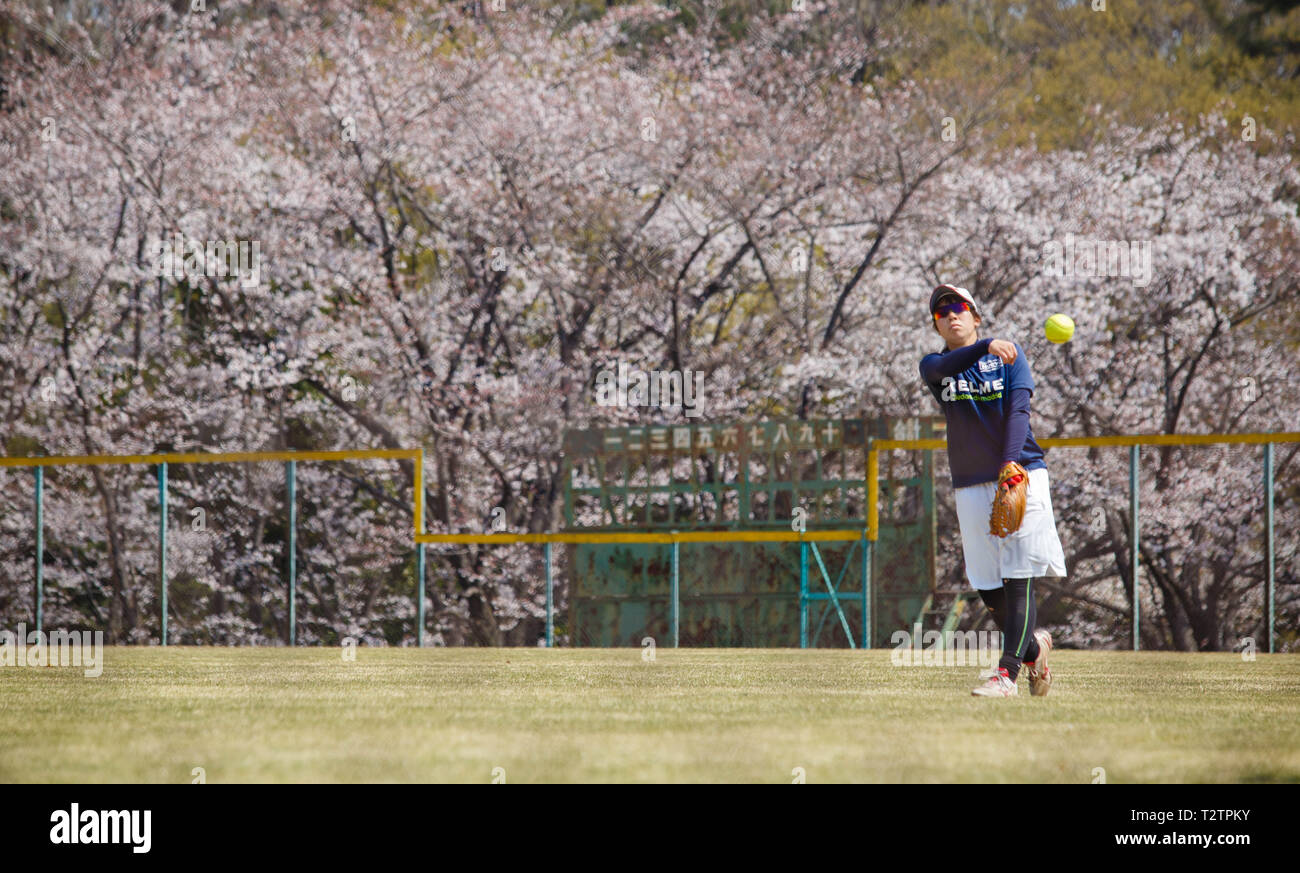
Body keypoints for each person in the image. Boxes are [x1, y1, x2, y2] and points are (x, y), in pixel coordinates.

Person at [918, 284, 1066, 697]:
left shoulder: (1010, 359)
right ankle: (1035, 648)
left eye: (960, 307)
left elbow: (1019, 411)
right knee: (986, 583)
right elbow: (939, 370)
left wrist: (1010, 462)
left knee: (1018, 576)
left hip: (1021, 475)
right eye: (941, 312)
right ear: (936, 324)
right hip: (970, 484)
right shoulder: (935, 365)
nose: (951, 315)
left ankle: (1006, 675)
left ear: (976, 315)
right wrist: (985, 346)